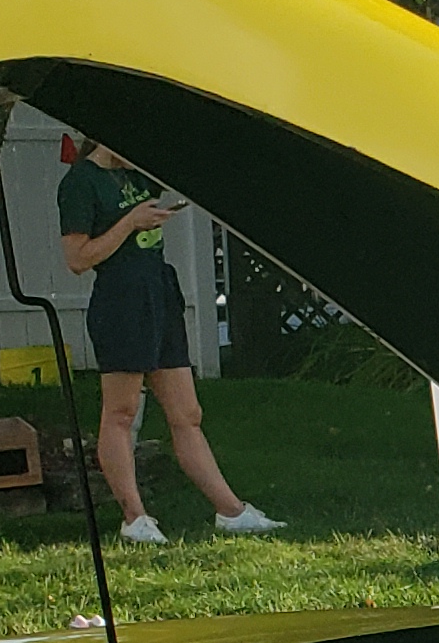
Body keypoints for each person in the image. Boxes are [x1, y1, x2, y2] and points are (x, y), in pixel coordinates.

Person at [57, 142, 281, 547]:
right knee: (121, 412)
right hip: (121, 299)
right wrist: (130, 223)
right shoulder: (80, 183)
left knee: (187, 412)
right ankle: (134, 518)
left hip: (159, 291)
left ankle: (231, 511)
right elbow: (78, 259)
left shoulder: (135, 174)